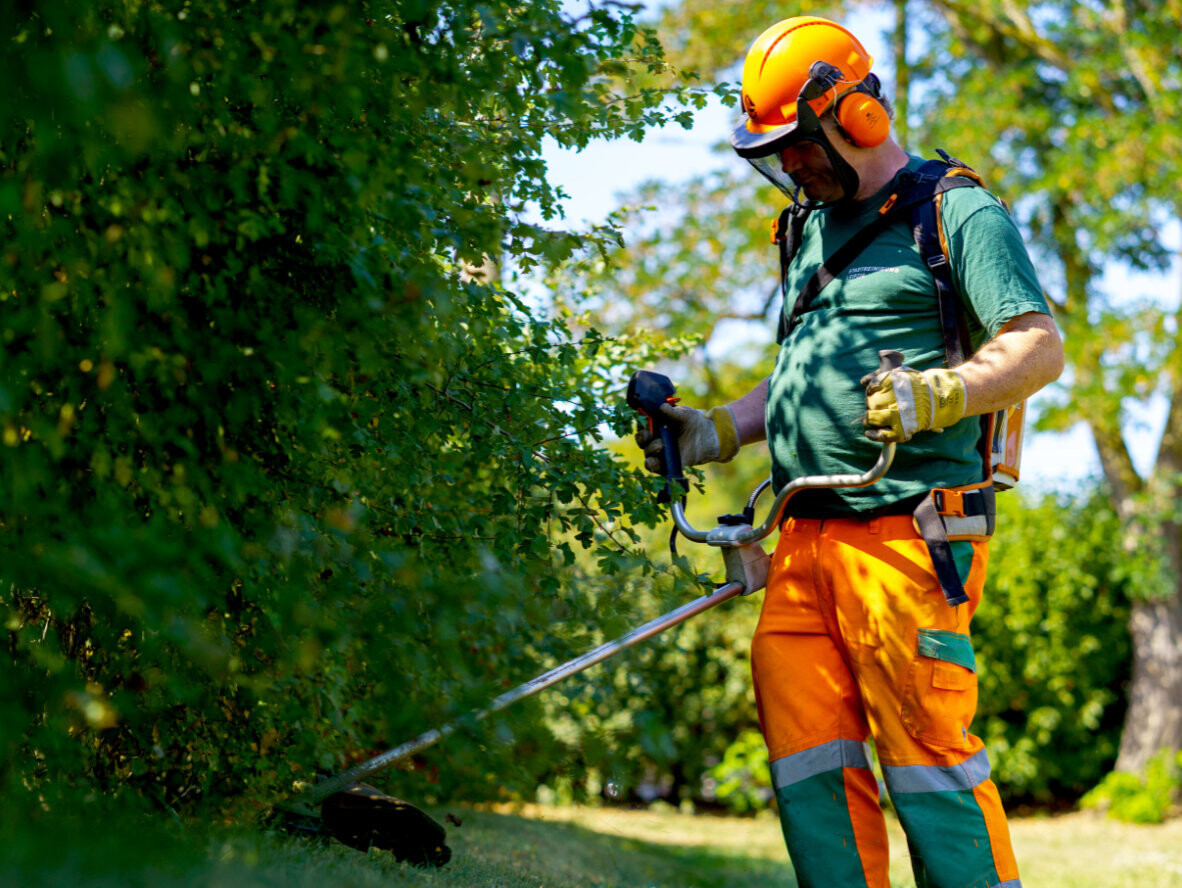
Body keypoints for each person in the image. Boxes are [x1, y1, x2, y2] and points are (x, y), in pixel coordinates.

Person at [636, 16, 1063, 888]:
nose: (788, 165)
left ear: (855, 117)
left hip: (907, 536)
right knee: (809, 768)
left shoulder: (954, 212)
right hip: (801, 541)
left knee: (929, 764)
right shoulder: (805, 231)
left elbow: (1039, 344)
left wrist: (947, 391)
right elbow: (800, 374)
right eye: (775, 152)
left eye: (796, 144)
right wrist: (719, 427)